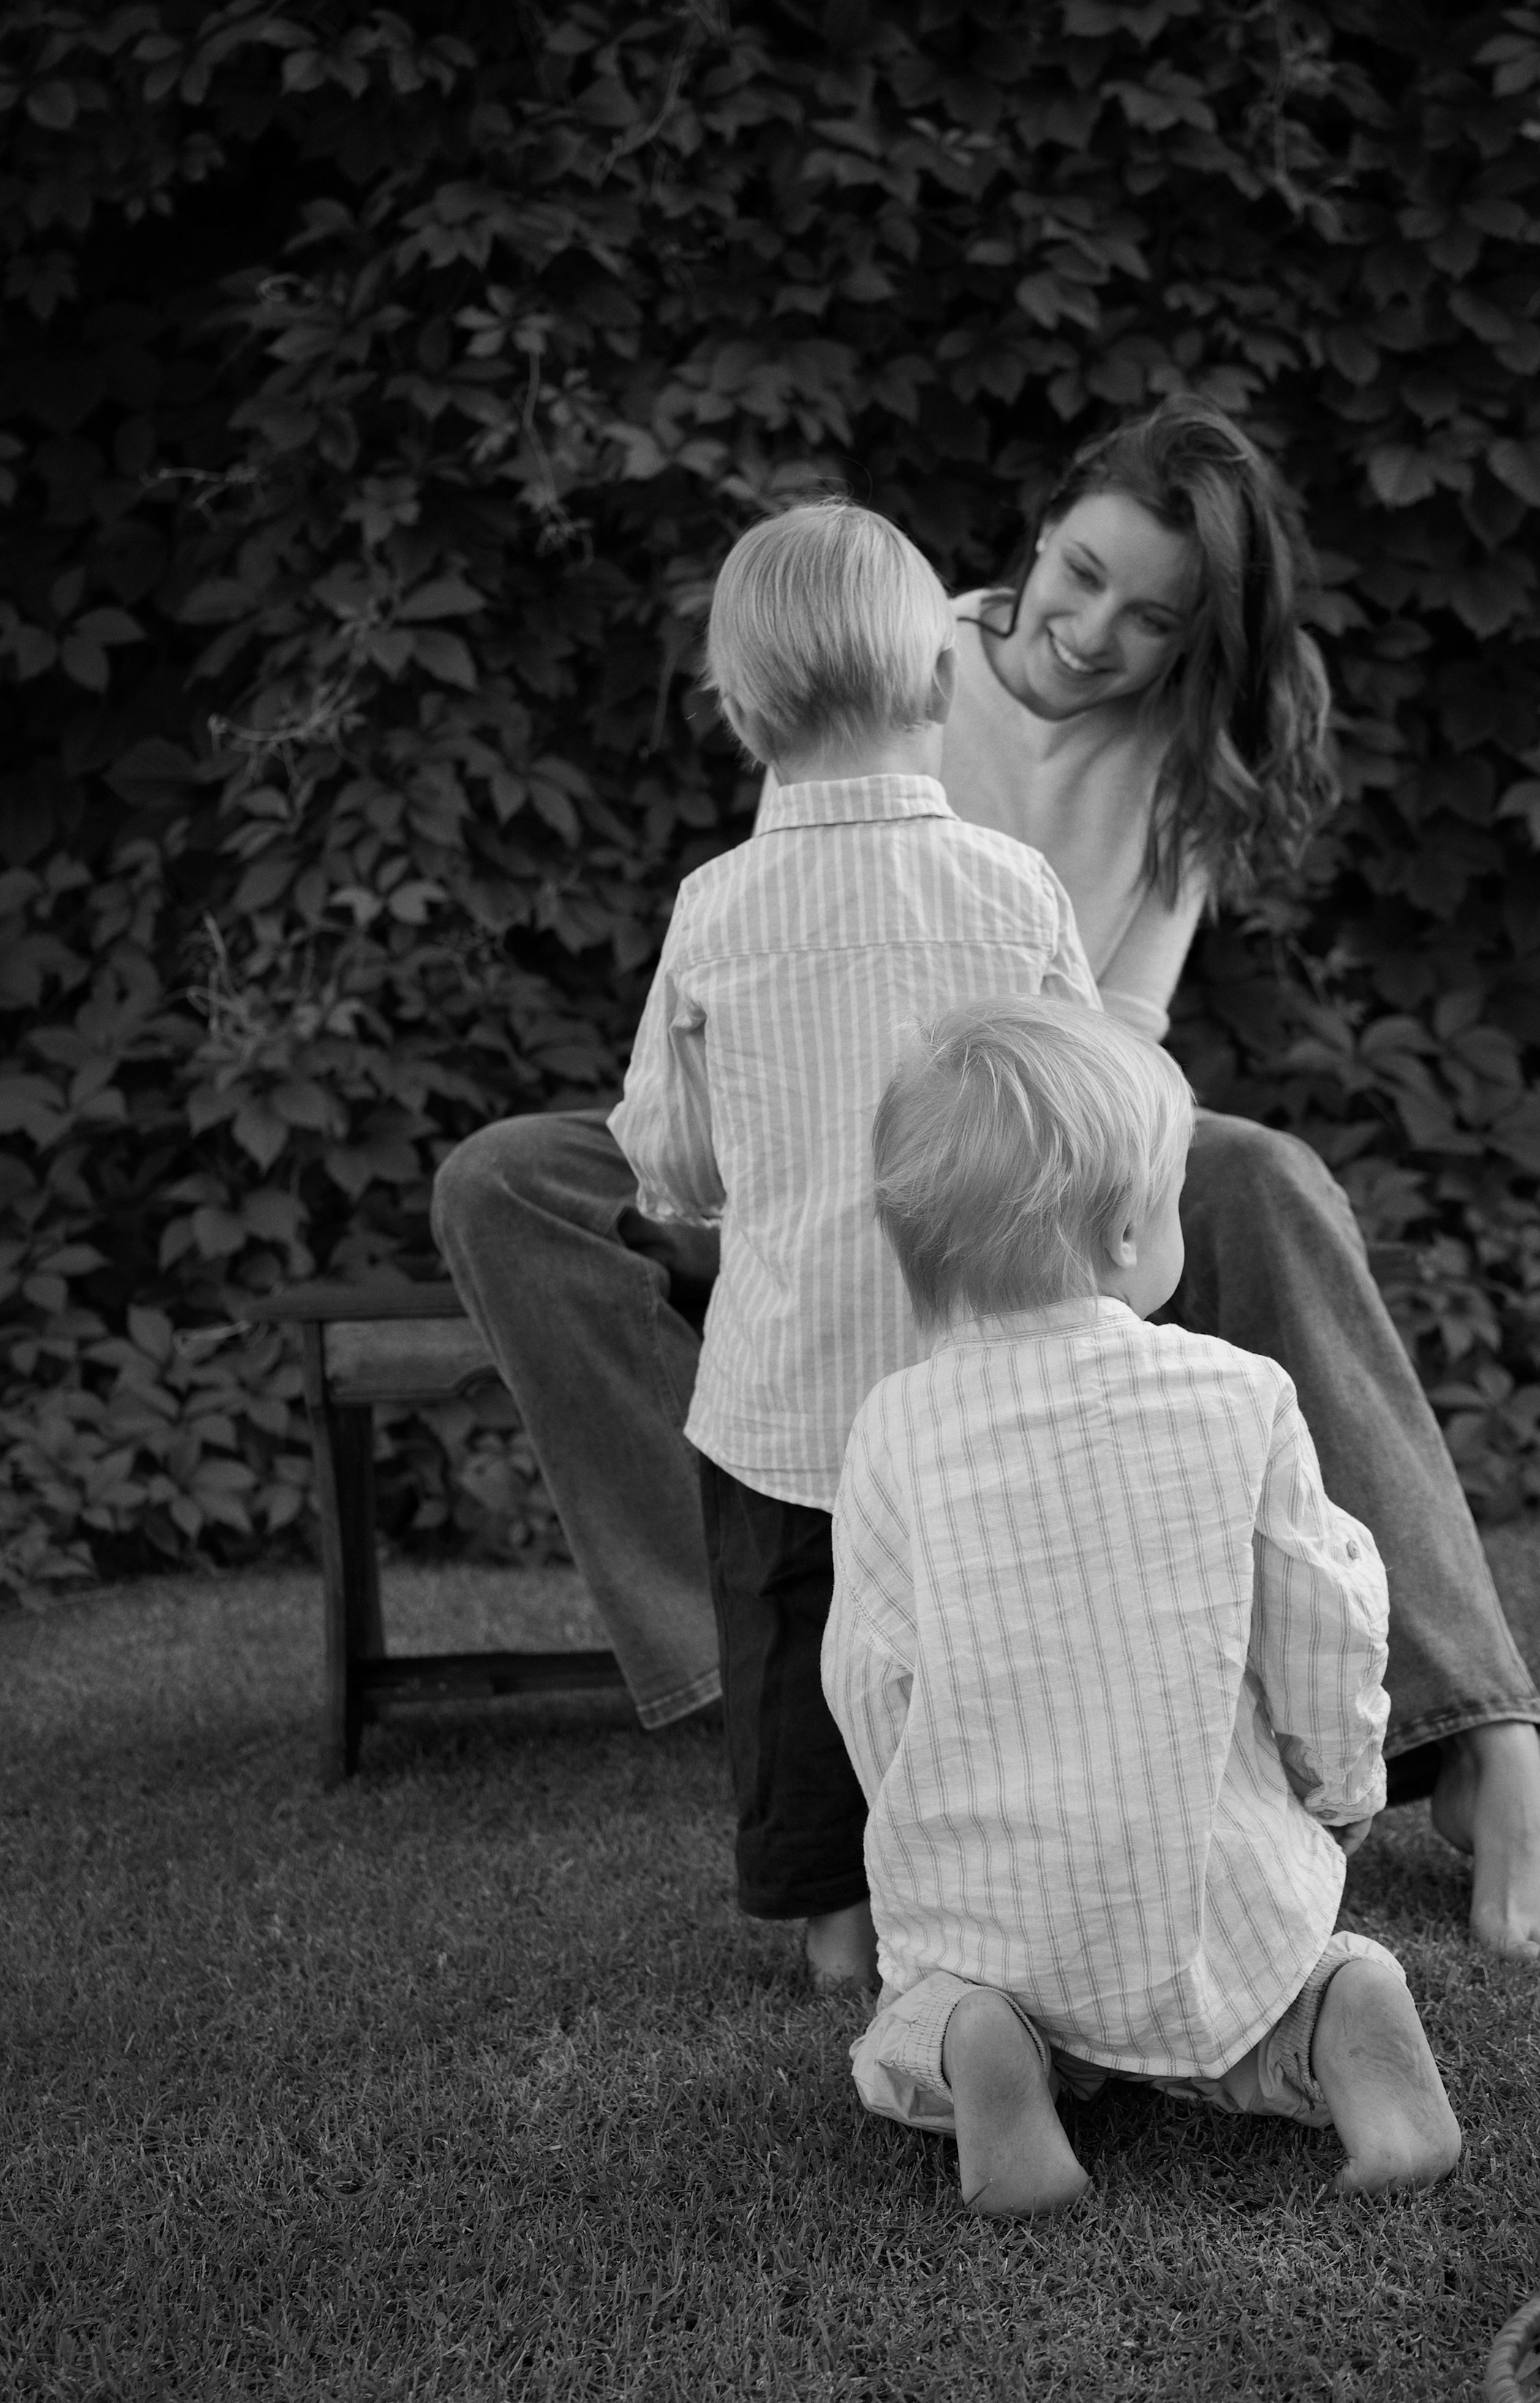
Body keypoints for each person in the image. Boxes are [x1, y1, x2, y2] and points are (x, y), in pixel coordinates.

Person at [432, 394, 1540, 1964]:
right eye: (1079, 574)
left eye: (1149, 619)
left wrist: (1022, 1157)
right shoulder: (877, 628)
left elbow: (1110, 1046)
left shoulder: (1184, 761)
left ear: (1196, 641)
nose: (1090, 632)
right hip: (806, 1133)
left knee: (1263, 1178)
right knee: (504, 1180)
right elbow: (753, 971)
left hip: (1021, 1128)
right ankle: (774, 1651)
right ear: (1036, 533)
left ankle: (1484, 1750)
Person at [826, 996, 1462, 2215]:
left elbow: (871, 1674)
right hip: (1216, 1897)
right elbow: (1322, 1618)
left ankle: (989, 2053)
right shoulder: (1242, 1395)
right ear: (1128, 1232)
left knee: (916, 2027)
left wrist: (914, 1820)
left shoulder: (895, 1427)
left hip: (997, 1902)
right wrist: (1340, 1789)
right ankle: (1341, 2015)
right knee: (1288, 1984)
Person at [610, 496, 1101, 1991]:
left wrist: (710, 1202)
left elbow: (666, 1148)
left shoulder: (716, 908)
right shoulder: (1012, 888)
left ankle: (840, 1921)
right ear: (942, 687)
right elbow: (1084, 1109)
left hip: (790, 1384)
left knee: (794, 1644)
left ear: (739, 709)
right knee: (993, 1631)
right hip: (989, 1371)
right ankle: (1006, 1891)